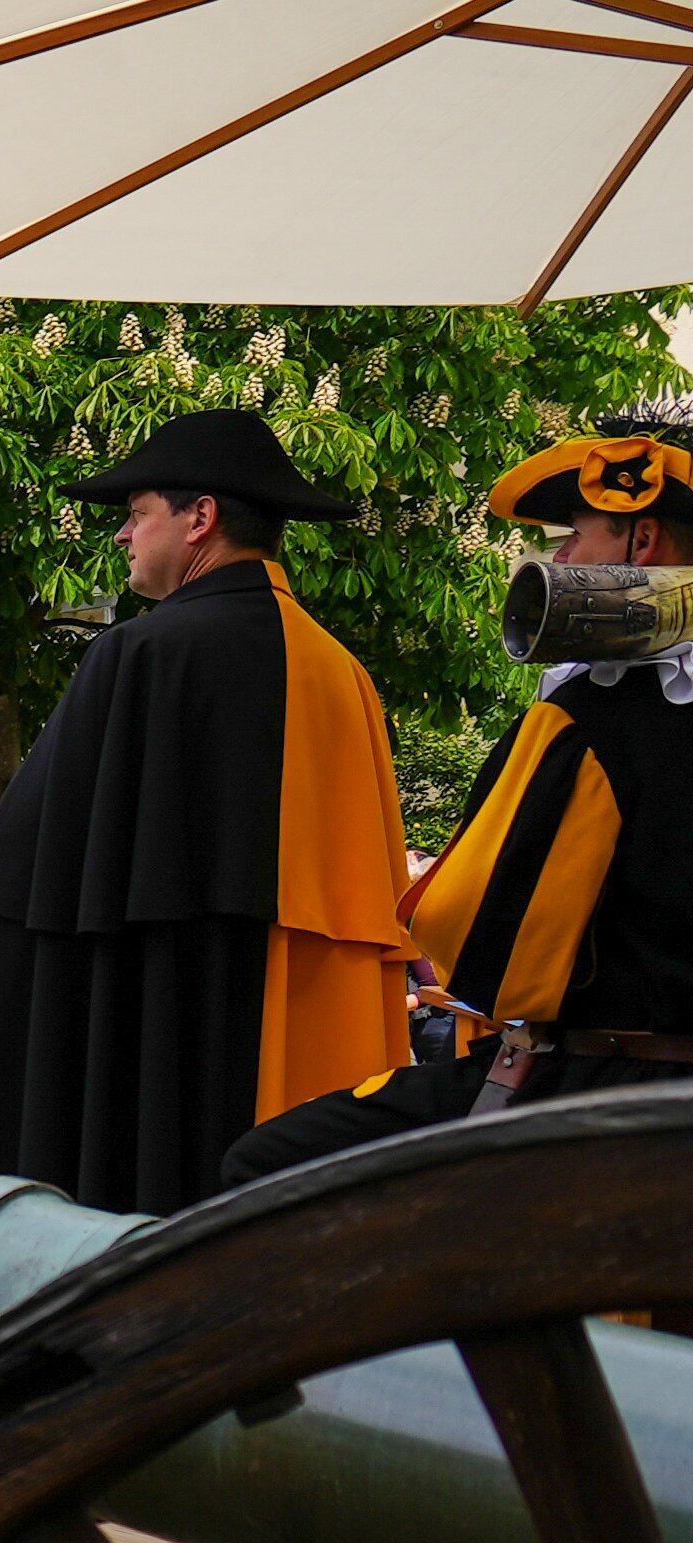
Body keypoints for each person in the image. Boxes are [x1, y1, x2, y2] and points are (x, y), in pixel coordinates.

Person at [0, 408, 417, 1214]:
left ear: (201, 518)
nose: (123, 536)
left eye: (136, 512)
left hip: (159, 1058)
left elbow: (31, 899)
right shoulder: (343, 675)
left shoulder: (141, 654)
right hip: (307, 1056)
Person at [227, 422, 693, 1182]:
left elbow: (480, 946)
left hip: (599, 1090)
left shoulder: (589, 716)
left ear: (642, 543)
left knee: (269, 1162)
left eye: (575, 536)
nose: (562, 558)